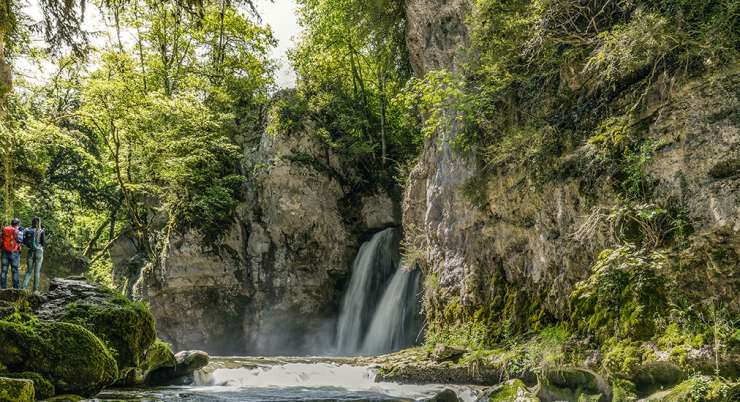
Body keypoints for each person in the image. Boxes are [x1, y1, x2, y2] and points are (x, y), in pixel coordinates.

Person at [22, 217, 45, 292]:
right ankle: (35, 290)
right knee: (37, 272)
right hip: (39, 252)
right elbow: (43, 243)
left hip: (31, 251)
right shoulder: (41, 230)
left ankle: (23, 288)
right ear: (39, 222)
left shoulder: (27, 230)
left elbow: (23, 241)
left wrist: (29, 245)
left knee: (29, 271)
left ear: (32, 222)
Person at [1, 218, 23, 289]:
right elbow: (20, 241)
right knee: (15, 271)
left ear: (11, 223)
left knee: (4, 271)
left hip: (4, 252)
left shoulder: (5, 230)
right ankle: (16, 289)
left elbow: (1, 240)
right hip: (14, 253)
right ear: (18, 224)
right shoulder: (18, 231)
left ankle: (3, 288)